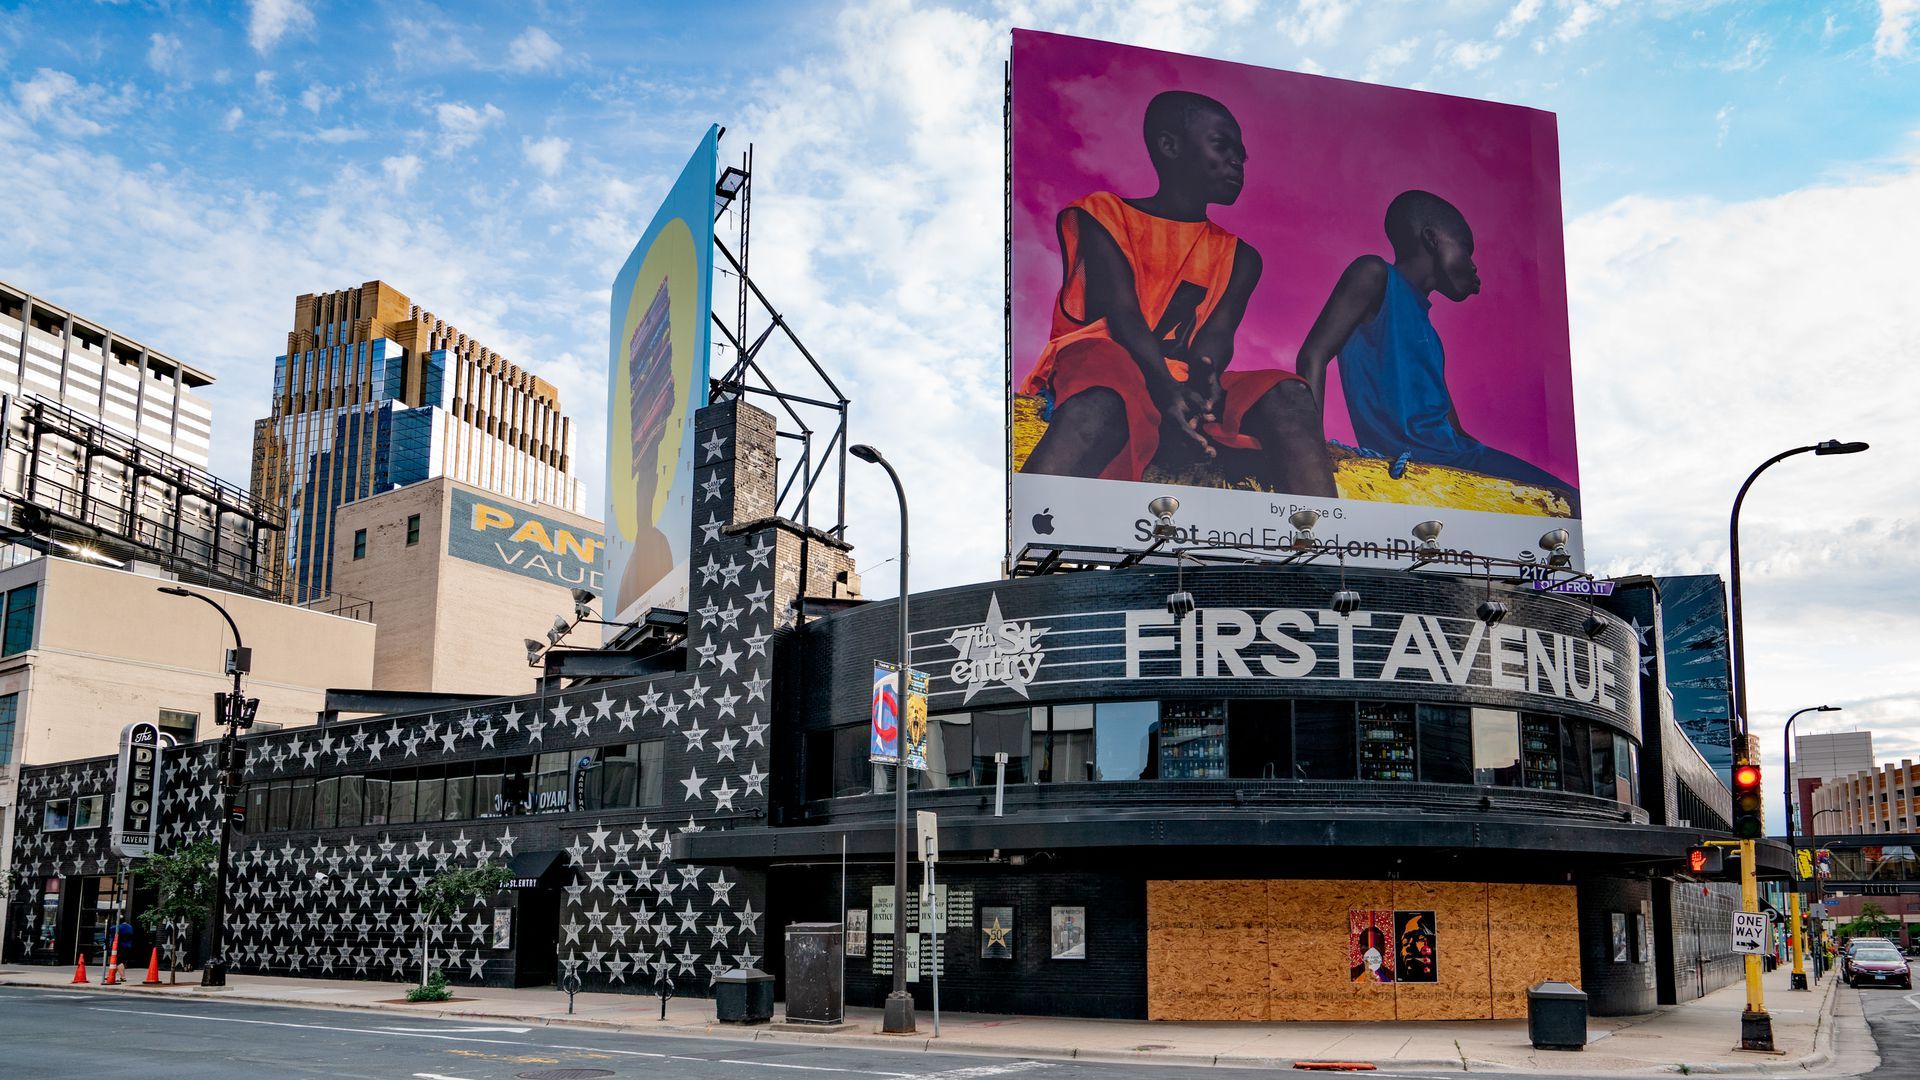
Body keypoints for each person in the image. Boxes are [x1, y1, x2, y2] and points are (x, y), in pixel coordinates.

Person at [1020, 90, 1336, 496]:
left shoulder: (1241, 256)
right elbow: (1123, 314)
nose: (1237, 162)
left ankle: (1326, 545)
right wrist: (1165, 392)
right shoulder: (1103, 214)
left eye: (1241, 154)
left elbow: (1215, 340)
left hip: (1180, 379)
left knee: (1288, 393)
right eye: (1222, 146)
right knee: (1107, 395)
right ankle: (1035, 528)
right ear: (1169, 146)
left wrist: (1202, 390)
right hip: (1105, 359)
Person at [1295, 190, 1577, 509]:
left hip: (1459, 459)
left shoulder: (1431, 335)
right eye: (1466, 251)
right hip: (1421, 461)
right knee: (1569, 506)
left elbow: (1452, 428)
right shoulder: (1374, 274)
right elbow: (1312, 355)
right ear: (1432, 238)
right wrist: (1312, 451)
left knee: (1566, 505)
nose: (1473, 268)